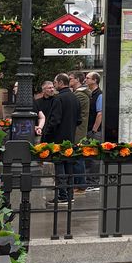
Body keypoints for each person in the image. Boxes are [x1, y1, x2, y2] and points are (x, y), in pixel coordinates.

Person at [47, 75, 81, 204]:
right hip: (70, 137)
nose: (54, 85)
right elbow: (79, 120)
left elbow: (55, 120)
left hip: (58, 138)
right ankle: (70, 194)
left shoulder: (59, 98)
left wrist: (48, 134)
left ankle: (62, 195)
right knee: (69, 166)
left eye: (55, 82)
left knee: (60, 165)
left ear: (61, 83)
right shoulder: (75, 98)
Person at [68, 71, 91, 194]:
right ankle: (79, 184)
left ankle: (80, 185)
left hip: (78, 130)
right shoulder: (78, 94)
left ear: (77, 80)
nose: (69, 80)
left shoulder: (80, 95)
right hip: (79, 129)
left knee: (78, 158)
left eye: (70, 78)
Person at [84, 73, 103, 188]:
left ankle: (94, 182)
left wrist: (94, 130)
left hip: (95, 131)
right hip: (90, 130)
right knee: (88, 156)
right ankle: (89, 180)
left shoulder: (99, 95)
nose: (85, 80)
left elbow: (99, 114)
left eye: (88, 78)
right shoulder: (91, 94)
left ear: (95, 80)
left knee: (94, 158)